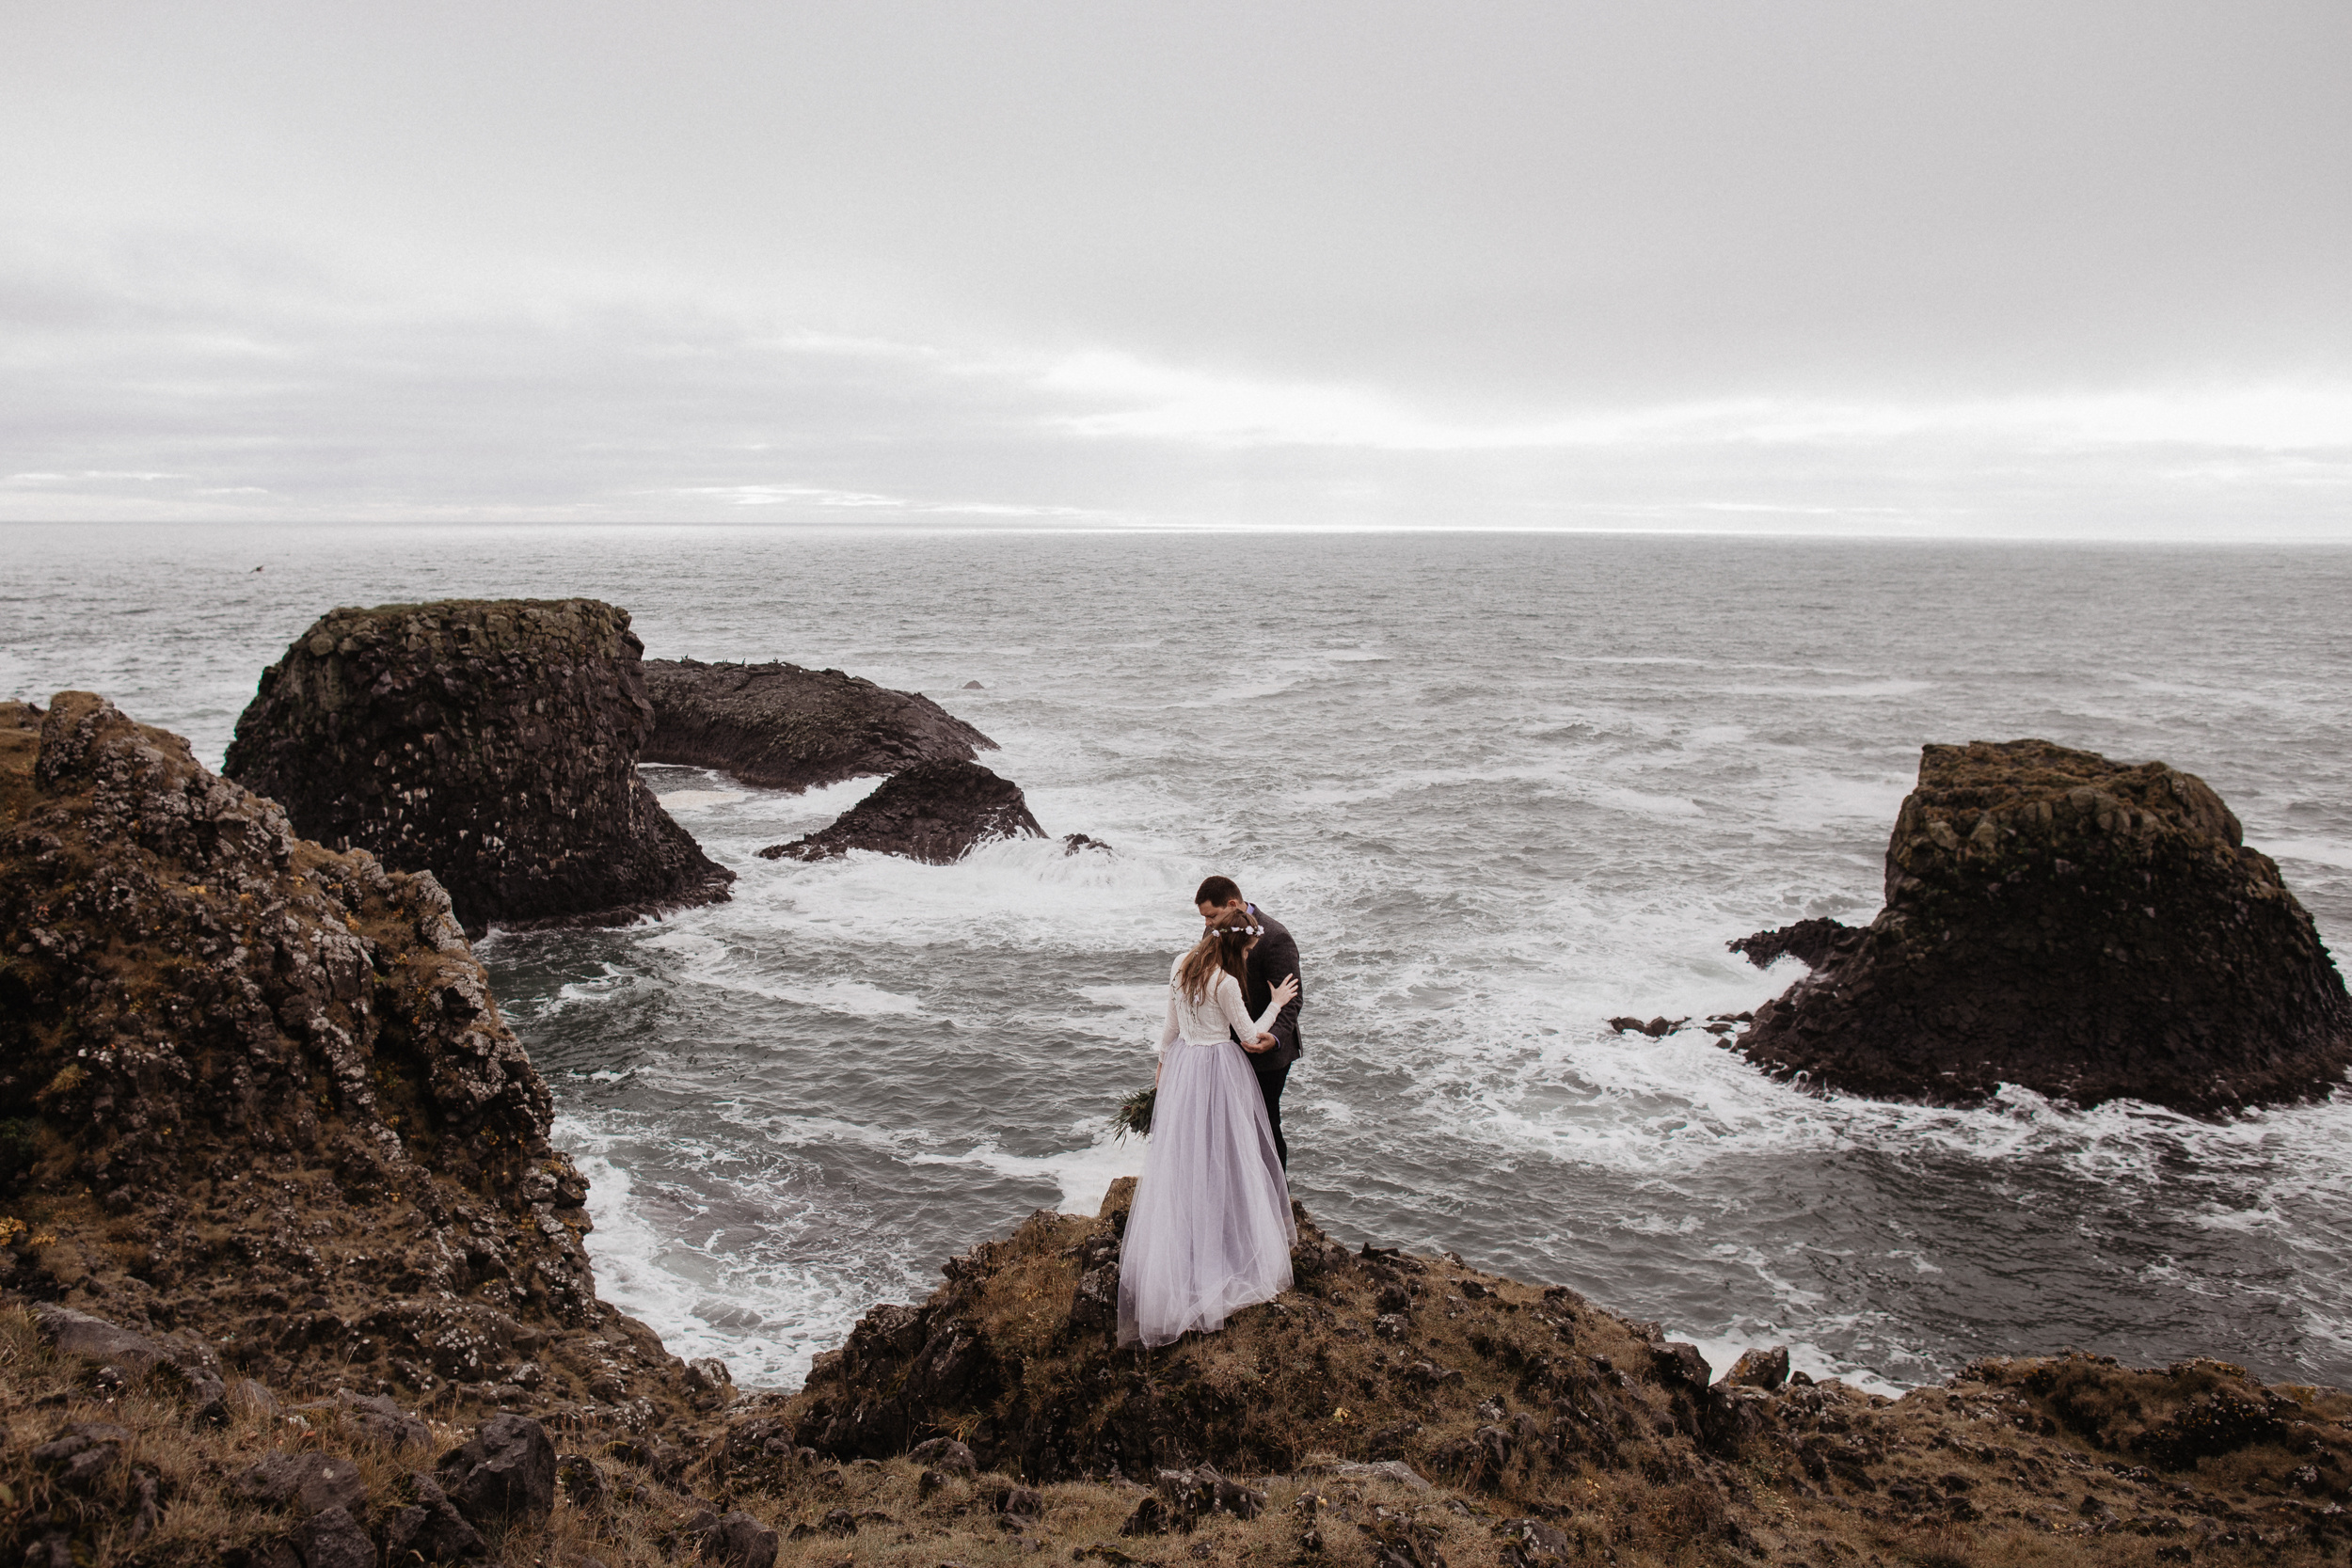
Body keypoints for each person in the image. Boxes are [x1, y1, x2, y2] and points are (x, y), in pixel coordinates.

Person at [1116, 906, 1301, 1348]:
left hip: (1184, 1066)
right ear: (1237, 945)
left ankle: (1184, 1248)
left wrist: (1163, 1066)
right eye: (1249, 948)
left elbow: (1170, 1026)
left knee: (1186, 1156)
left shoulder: (1181, 963)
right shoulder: (1226, 982)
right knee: (1224, 1153)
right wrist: (1276, 1004)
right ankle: (1224, 1249)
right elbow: (1250, 1037)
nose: (1250, 954)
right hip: (1219, 1071)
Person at [1193, 876, 1303, 1167]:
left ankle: (1276, 1193)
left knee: (1264, 1126)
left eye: (1211, 916)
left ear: (1232, 904)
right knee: (1228, 1126)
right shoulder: (1215, 931)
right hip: (1225, 1048)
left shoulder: (1276, 937)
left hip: (1266, 1055)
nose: (1207, 924)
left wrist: (1274, 1037)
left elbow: (1291, 998)